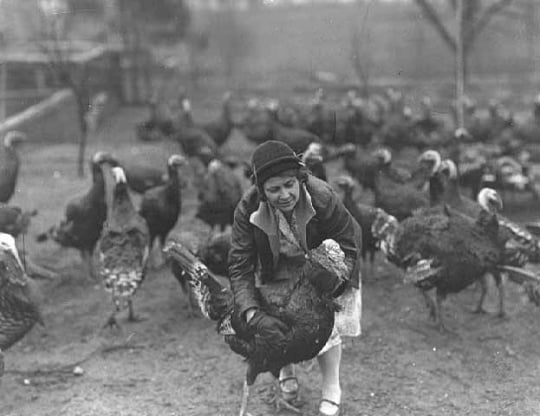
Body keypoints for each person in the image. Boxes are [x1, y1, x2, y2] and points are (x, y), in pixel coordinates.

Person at [228, 140, 362, 416]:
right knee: (276, 319)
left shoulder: (322, 197)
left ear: (300, 178)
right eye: (274, 189)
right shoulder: (247, 209)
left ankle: (331, 387)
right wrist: (252, 313)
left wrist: (332, 285)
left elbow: (348, 247)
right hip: (279, 265)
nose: (285, 194)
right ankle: (284, 371)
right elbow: (240, 266)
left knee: (325, 326)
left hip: (326, 266)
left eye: (290, 184)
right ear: (261, 191)